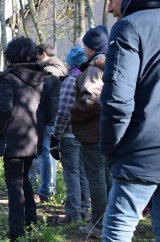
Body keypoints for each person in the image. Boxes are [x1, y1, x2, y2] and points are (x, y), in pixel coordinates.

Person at [100, 1, 160, 242]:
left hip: (141, 150)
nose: (109, 8)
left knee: (118, 231)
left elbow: (117, 101)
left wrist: (110, 147)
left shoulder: (130, 26)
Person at [0, 36, 51, 242]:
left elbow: (4, 110)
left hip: (13, 141)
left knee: (15, 185)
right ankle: (30, 222)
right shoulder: (41, 77)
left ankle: (16, 234)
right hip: (32, 138)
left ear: (11, 55)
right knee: (24, 181)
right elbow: (48, 110)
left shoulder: (9, 78)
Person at [70, 25, 111, 238]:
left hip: (94, 132)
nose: (84, 49)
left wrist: (73, 113)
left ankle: (98, 225)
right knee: (106, 176)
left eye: (86, 46)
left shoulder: (94, 68)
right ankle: (111, 222)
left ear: (92, 47)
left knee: (97, 178)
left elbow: (91, 100)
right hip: (106, 130)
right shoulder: (110, 63)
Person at [50, 46, 90, 224]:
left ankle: (73, 214)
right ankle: (84, 211)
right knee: (83, 173)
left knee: (71, 173)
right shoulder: (91, 77)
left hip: (70, 135)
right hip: (87, 135)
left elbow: (64, 111)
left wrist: (55, 137)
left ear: (70, 64)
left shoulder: (71, 80)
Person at [30, 43, 66, 203]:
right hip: (56, 116)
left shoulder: (49, 72)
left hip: (51, 118)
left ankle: (46, 190)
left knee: (47, 154)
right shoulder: (61, 67)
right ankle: (48, 188)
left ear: (43, 54)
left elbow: (40, 95)